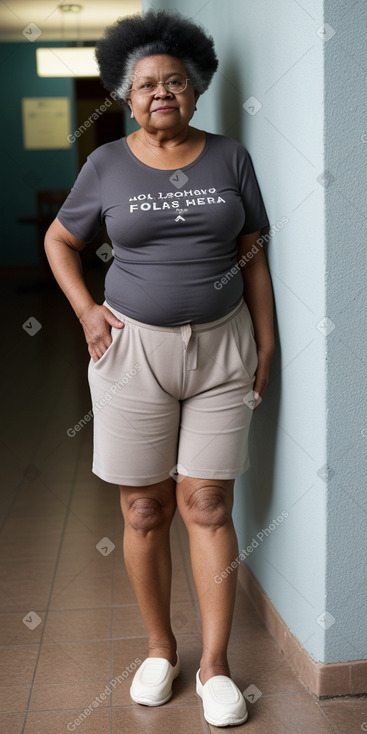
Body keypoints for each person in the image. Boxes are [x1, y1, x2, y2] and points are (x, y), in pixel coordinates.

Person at [44, 9, 274, 728]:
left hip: (221, 346)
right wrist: (87, 310)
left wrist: (266, 343)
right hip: (131, 351)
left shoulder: (229, 156)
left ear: (197, 88)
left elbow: (252, 251)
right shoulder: (105, 163)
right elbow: (60, 239)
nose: (160, 93)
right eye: (145, 85)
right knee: (145, 508)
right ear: (125, 95)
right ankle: (158, 650)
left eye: (174, 81)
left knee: (207, 503)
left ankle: (215, 666)